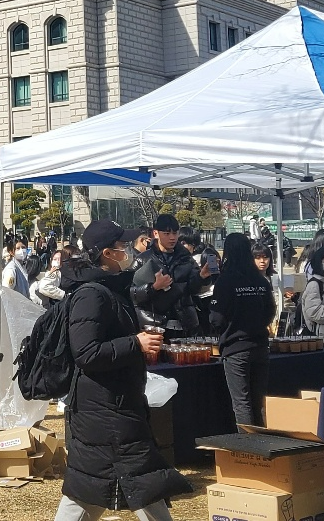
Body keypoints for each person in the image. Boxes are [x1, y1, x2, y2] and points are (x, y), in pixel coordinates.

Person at [54, 219, 190, 521]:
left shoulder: (108, 288)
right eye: (121, 246)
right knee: (124, 484)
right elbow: (86, 353)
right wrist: (135, 343)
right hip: (104, 410)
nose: (129, 249)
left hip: (112, 406)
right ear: (106, 253)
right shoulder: (92, 294)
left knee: (121, 486)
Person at [208, 233, 277, 424]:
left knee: (242, 402)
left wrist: (227, 327)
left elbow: (216, 317)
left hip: (235, 347)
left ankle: (249, 449)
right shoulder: (261, 281)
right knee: (259, 401)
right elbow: (271, 310)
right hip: (261, 345)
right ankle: (264, 443)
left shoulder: (226, 281)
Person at [132, 213, 207, 338]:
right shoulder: (142, 259)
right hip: (154, 325)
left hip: (185, 323)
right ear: (156, 234)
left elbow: (193, 289)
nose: (172, 238)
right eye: (167, 234)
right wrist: (154, 287)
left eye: (175, 233)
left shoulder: (186, 258)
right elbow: (131, 293)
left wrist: (202, 277)